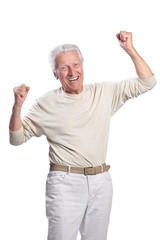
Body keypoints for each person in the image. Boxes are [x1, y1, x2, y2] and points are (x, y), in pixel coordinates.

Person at [9, 31, 157, 240]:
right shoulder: (46, 103)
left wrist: (129, 49)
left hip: (101, 182)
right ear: (55, 74)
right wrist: (17, 106)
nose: (72, 72)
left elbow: (148, 82)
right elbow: (16, 139)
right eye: (64, 67)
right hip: (65, 183)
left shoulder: (103, 92)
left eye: (76, 65)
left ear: (82, 66)